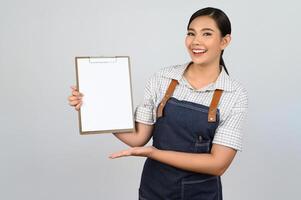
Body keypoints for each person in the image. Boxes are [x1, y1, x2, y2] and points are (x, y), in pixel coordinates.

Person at [68, 7, 248, 200]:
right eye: (191, 33)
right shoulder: (162, 78)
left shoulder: (235, 94)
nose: (196, 41)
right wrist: (93, 107)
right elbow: (138, 138)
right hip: (154, 190)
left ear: (225, 41)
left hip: (200, 195)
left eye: (207, 34)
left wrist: (155, 153)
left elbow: (217, 164)